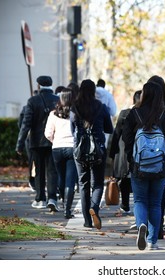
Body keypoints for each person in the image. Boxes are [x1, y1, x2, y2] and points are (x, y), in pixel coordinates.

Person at [122, 81, 165, 250]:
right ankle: (152, 241)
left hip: (139, 166)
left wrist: (132, 158)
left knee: (140, 200)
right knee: (155, 203)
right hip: (159, 167)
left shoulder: (135, 114)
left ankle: (141, 225)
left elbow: (126, 139)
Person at [70, 79, 114, 229]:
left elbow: (72, 129)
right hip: (98, 150)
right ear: (94, 91)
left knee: (83, 185)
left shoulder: (74, 107)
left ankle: (87, 221)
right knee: (98, 184)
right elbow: (109, 129)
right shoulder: (101, 107)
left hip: (80, 150)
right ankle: (94, 208)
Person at [16, 76, 59, 211]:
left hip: (36, 142)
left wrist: (20, 144)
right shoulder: (58, 100)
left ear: (38, 86)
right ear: (51, 85)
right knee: (52, 171)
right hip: (54, 141)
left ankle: (40, 199)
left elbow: (26, 124)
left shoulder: (32, 101)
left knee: (39, 171)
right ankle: (53, 198)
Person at [44, 88, 78, 218]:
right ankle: (67, 210)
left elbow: (47, 133)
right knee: (70, 180)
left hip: (57, 149)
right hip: (72, 148)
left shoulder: (53, 114)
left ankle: (63, 201)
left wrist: (54, 141)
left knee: (61, 177)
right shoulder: (75, 112)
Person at [109, 90, 142, 214]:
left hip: (123, 149)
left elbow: (116, 134)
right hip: (139, 149)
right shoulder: (145, 114)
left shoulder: (124, 113)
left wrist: (113, 153)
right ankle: (137, 205)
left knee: (124, 177)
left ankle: (125, 203)